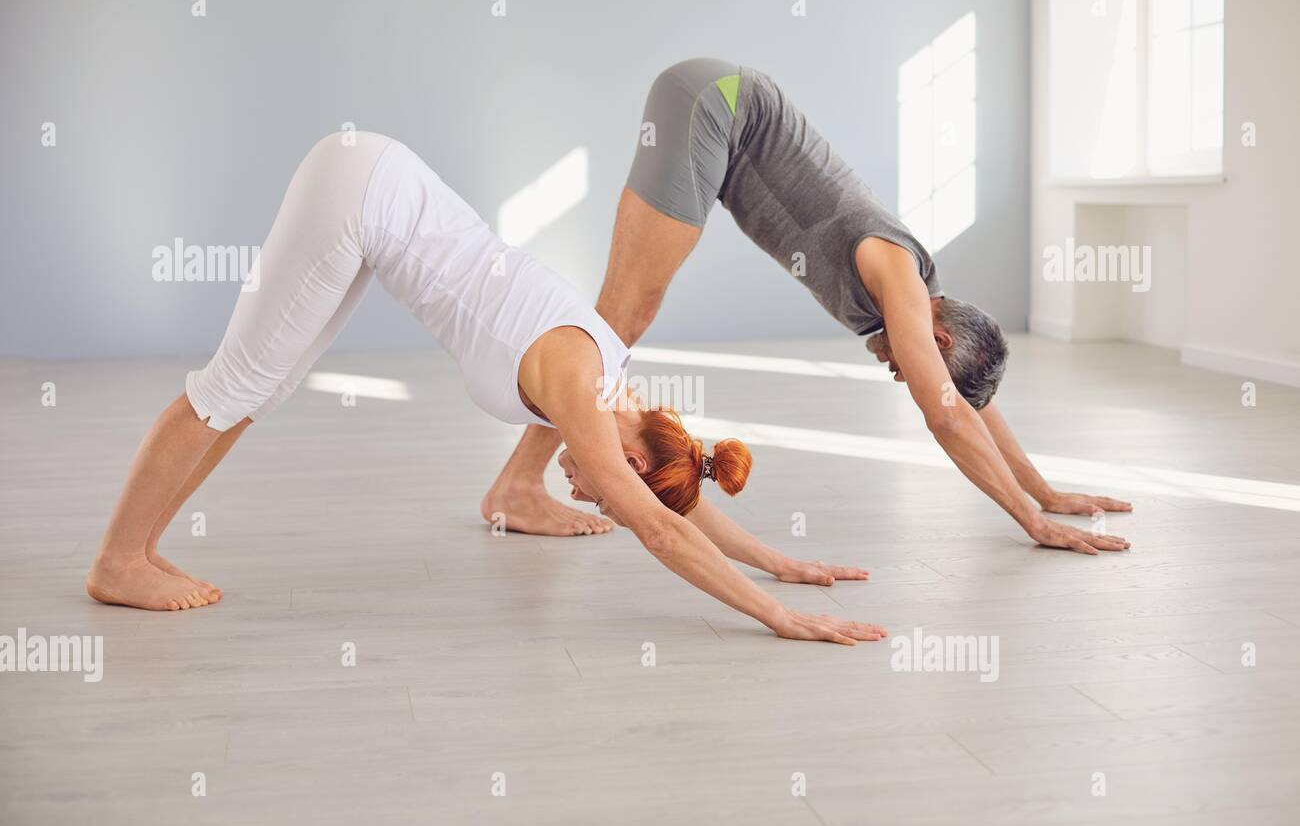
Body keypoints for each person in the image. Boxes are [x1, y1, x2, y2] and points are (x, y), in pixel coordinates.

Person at [85, 132, 885, 646]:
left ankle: (142, 548)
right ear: (632, 462)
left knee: (263, 385)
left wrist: (781, 562)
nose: (592, 490)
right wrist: (778, 618)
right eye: (610, 489)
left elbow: (681, 497)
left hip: (376, 194)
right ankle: (120, 560)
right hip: (363, 195)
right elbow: (662, 530)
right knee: (236, 381)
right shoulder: (583, 389)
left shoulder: (623, 393)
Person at [483, 58, 1132, 556]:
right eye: (913, 369)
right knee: (619, 322)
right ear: (937, 338)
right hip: (718, 106)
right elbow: (948, 417)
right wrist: (1031, 522)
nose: (899, 372)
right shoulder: (900, 275)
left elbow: (970, 407)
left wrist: (1042, 489)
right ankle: (517, 488)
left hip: (716, 106)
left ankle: (518, 484)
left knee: (614, 326)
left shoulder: (911, 302)